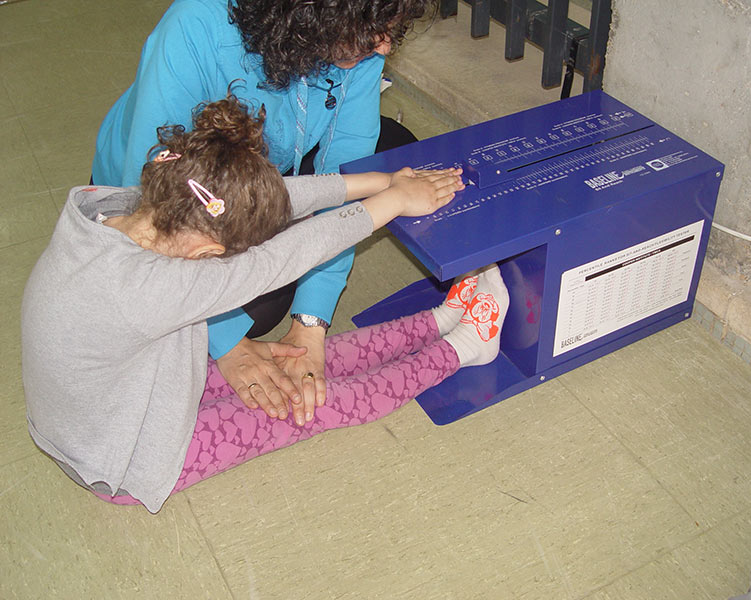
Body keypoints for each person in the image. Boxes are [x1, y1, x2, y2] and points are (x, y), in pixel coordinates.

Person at [22, 95, 508, 513]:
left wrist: (382, 183)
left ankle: (442, 320)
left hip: (115, 392)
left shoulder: (130, 206)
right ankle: (468, 345)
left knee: (294, 362)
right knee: (309, 405)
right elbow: (285, 255)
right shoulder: (148, 289)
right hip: (118, 457)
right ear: (210, 252)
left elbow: (264, 201)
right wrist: (396, 203)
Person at [91, 0, 437, 429]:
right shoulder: (194, 28)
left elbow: (347, 164)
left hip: (261, 171)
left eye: (391, 29)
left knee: (393, 154)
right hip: (171, 196)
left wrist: (312, 321)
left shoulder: (357, 33)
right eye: (371, 31)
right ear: (310, 13)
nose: (384, 47)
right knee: (258, 311)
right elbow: (159, 218)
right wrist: (227, 343)